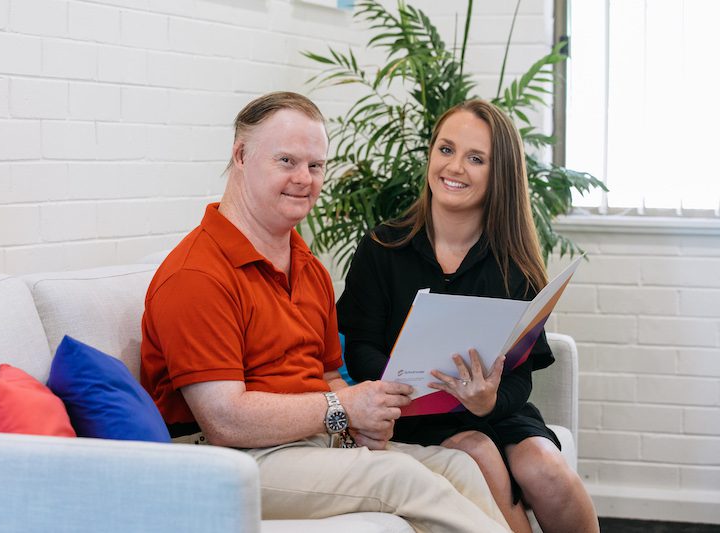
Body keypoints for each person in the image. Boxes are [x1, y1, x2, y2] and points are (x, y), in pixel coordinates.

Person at [139, 91, 512, 532]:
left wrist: (364, 421)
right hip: (226, 461)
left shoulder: (308, 267)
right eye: (287, 161)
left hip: (309, 443)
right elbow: (224, 419)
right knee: (399, 478)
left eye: (315, 166)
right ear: (240, 155)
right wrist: (344, 408)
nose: (304, 178)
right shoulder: (197, 274)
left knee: (458, 467)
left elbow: (329, 377)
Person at [336, 99, 599, 533]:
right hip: (413, 417)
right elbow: (358, 345)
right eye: (445, 149)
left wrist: (490, 400)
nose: (454, 167)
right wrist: (399, 384)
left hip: (493, 410)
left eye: (475, 158)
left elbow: (521, 375)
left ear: (499, 176)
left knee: (546, 469)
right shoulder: (383, 248)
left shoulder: (515, 263)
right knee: (478, 452)